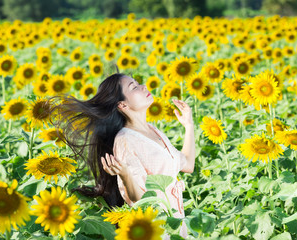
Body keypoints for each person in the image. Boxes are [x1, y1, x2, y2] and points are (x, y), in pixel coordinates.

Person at [48, 72, 195, 237]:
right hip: (156, 228)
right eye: (134, 87)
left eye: (138, 83)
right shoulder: (126, 140)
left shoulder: (154, 131)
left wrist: (189, 125)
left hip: (176, 223)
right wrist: (125, 175)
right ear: (122, 105)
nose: (143, 86)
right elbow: (140, 201)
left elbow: (188, 165)